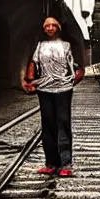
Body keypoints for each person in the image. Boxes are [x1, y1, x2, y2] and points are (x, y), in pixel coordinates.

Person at [27, 16, 79, 177]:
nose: (50, 28)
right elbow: (34, 63)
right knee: (48, 125)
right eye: (47, 25)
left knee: (63, 124)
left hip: (63, 89)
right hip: (44, 89)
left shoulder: (66, 45)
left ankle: (66, 163)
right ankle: (51, 163)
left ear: (59, 28)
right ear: (43, 29)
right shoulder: (40, 46)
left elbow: (74, 67)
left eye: (53, 25)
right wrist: (30, 80)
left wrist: (70, 81)